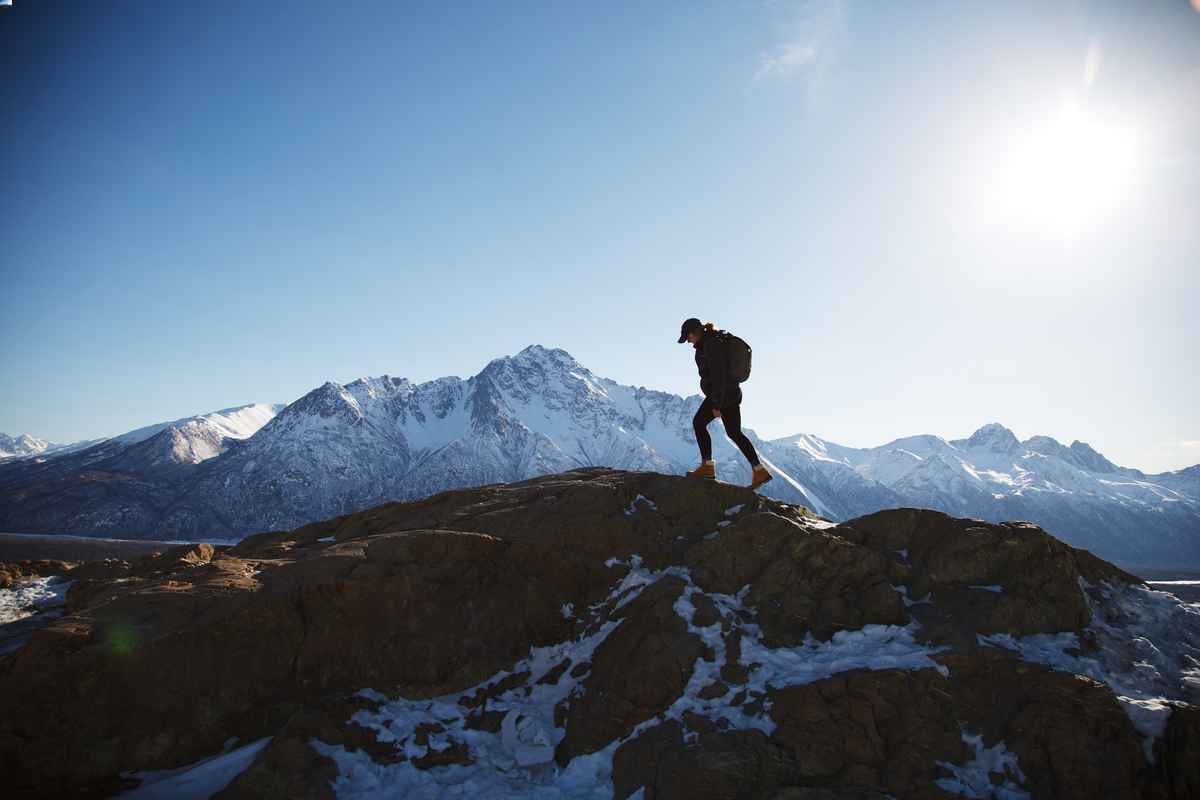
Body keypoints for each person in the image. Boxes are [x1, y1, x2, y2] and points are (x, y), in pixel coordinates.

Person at [677, 317, 773, 489]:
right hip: (733, 393)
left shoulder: (710, 345)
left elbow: (718, 375)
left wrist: (716, 404)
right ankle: (759, 471)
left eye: (688, 337)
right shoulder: (714, 341)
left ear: (695, 332)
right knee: (734, 432)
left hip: (722, 394)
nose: (688, 341)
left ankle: (707, 467)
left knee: (698, 423)